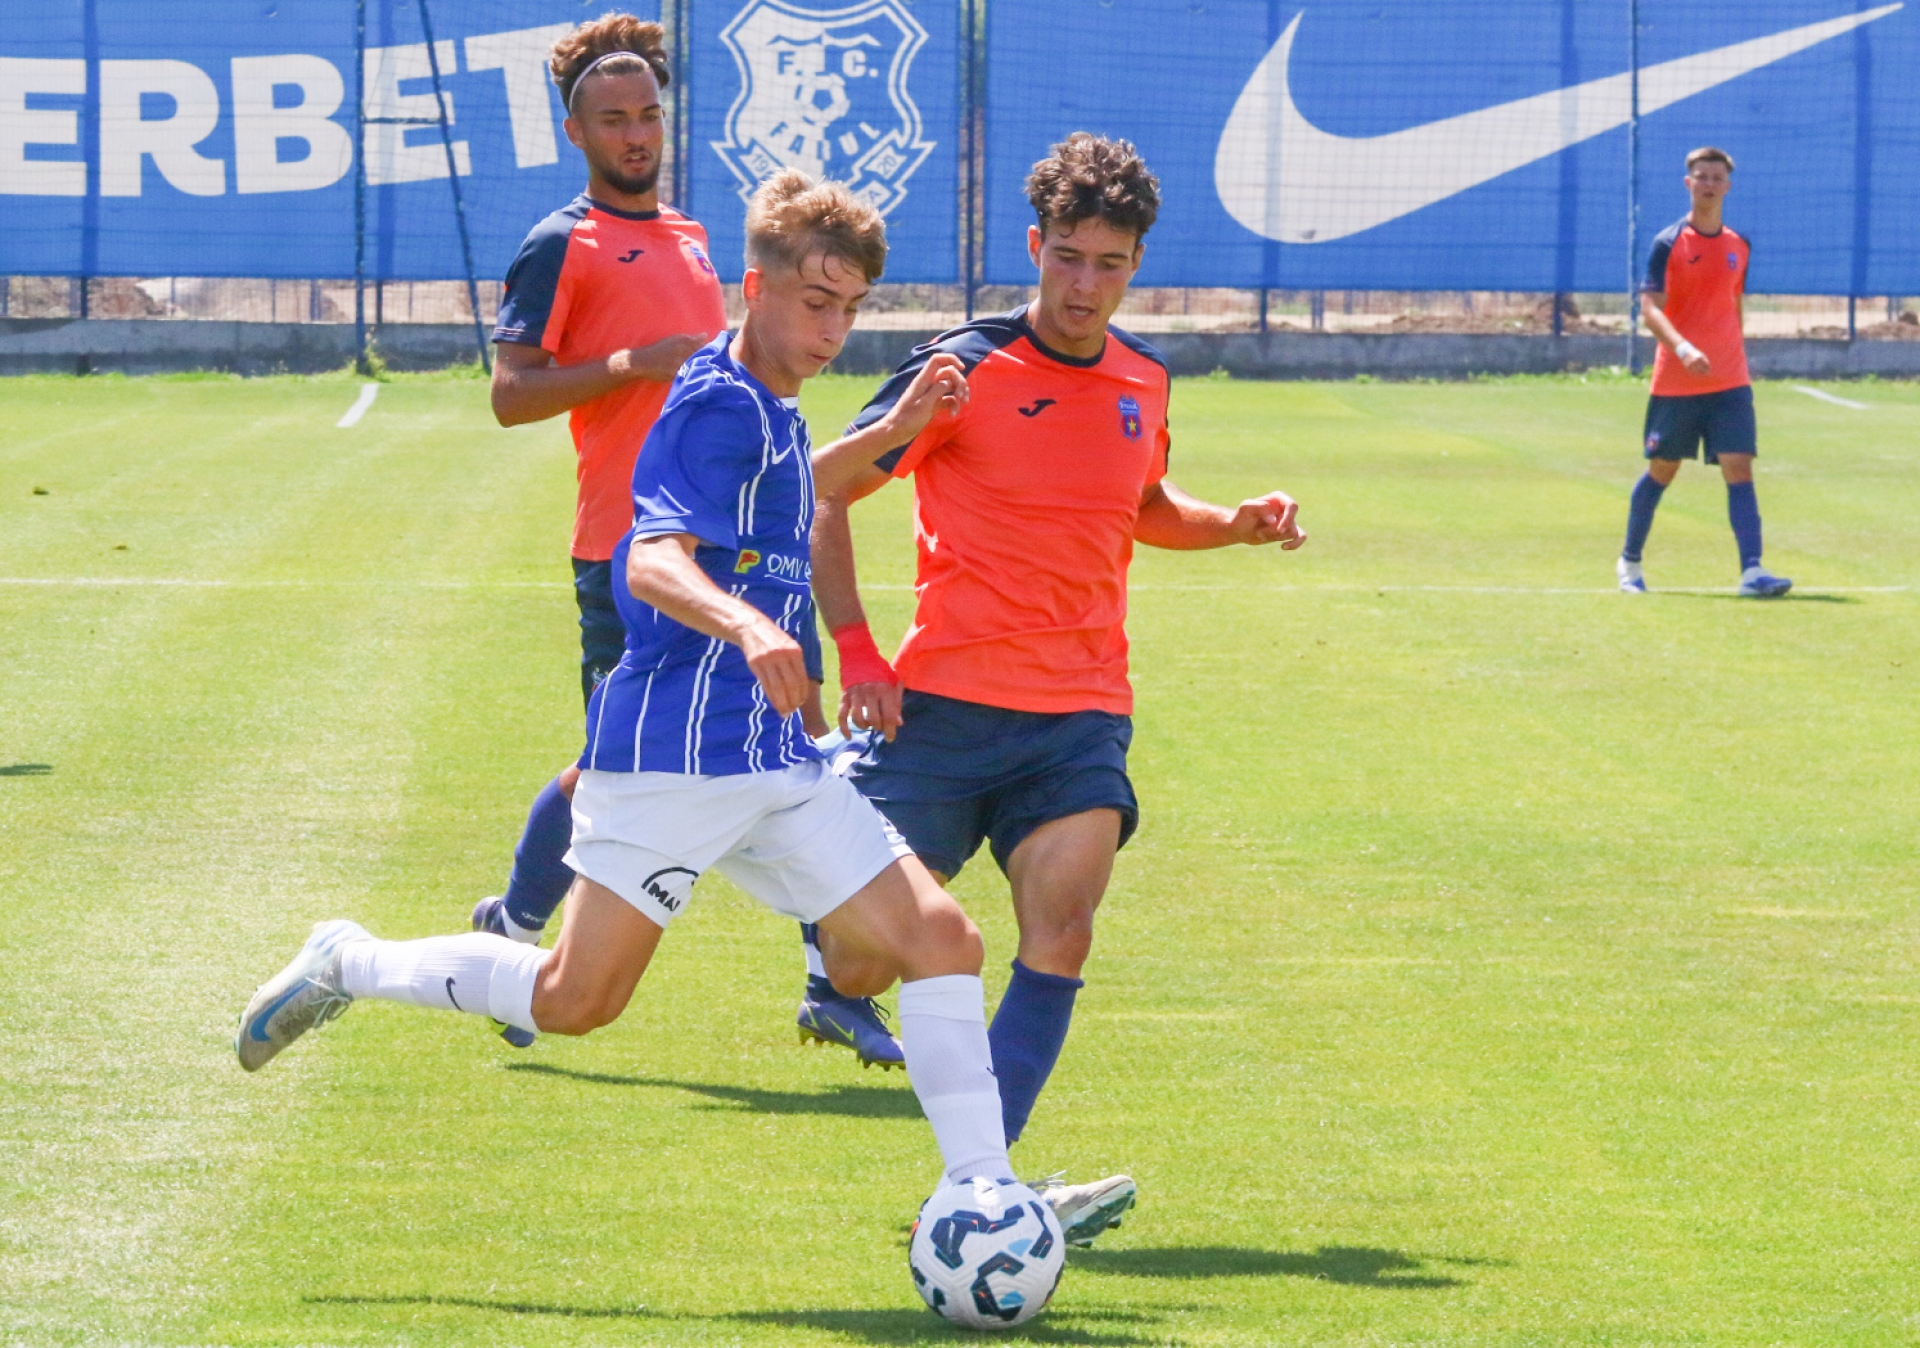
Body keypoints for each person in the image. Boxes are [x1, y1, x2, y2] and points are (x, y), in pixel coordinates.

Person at [234, 172, 1010, 1199]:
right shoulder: (716, 402)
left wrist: (894, 424)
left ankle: (984, 1194)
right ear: (756, 288)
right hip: (672, 755)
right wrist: (746, 623)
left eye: (852, 308)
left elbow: (792, 484)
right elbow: (648, 559)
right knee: (576, 998)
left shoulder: (770, 399)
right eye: (816, 301)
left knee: (944, 939)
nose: (833, 329)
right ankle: (349, 961)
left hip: (772, 756)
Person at [800, 132, 1308, 1245]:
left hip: (1079, 713)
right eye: (1068, 258)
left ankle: (979, 1198)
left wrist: (1235, 523)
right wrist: (859, 650)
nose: (1085, 285)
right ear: (1035, 246)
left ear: (1136, 265)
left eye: (1109, 264)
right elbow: (823, 490)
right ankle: (829, 942)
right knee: (860, 955)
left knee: (1062, 930)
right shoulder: (960, 369)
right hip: (943, 706)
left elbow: (1143, 505)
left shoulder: (1143, 379)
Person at [468, 16, 902, 1065]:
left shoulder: (697, 237)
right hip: (634, 549)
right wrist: (631, 362)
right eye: (613, 119)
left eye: (649, 115)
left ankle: (831, 983)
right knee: (610, 772)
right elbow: (509, 394)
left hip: (742, 546)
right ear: (576, 132)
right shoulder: (560, 241)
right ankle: (516, 929)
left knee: (791, 745)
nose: (636, 134)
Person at [1618, 146, 1791, 598]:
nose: (1709, 184)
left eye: (1716, 177)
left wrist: (1735, 352)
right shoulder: (1668, 243)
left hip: (1730, 380)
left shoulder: (1739, 244)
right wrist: (1682, 347)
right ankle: (1630, 561)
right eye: (1701, 176)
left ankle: (1752, 571)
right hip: (1677, 381)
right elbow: (1650, 309)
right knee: (1663, 469)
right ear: (1688, 183)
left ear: (1727, 186)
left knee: (1739, 465)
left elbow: (1734, 304)